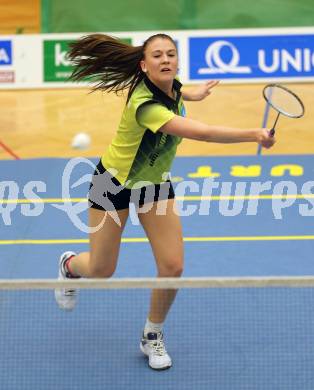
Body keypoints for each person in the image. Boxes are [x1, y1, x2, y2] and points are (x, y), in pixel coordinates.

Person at [54, 33, 275, 370]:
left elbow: (174, 91)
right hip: (112, 183)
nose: (165, 59)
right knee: (101, 270)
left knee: (173, 266)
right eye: (157, 55)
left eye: (171, 54)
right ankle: (70, 267)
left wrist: (192, 93)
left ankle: (152, 335)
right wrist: (253, 134)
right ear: (144, 65)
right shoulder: (145, 105)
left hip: (153, 185)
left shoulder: (171, 88)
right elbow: (201, 132)